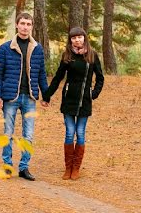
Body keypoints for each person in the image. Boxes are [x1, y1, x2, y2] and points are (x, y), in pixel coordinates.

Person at [0, 12, 49, 181]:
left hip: (30, 97)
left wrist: (46, 95)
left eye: (28, 24)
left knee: (28, 135)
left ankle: (24, 167)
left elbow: (41, 75)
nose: (25, 27)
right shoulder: (5, 48)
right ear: (17, 25)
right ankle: (7, 165)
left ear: (32, 27)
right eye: (22, 23)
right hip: (10, 97)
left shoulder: (37, 48)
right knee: (8, 132)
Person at [42, 27, 104, 180]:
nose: (77, 40)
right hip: (69, 100)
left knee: (80, 133)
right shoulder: (67, 56)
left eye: (80, 37)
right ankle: (68, 167)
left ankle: (76, 168)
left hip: (85, 101)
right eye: (74, 38)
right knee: (70, 132)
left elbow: (100, 78)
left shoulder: (92, 55)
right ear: (70, 40)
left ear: (84, 38)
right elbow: (58, 77)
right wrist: (47, 96)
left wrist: (93, 93)